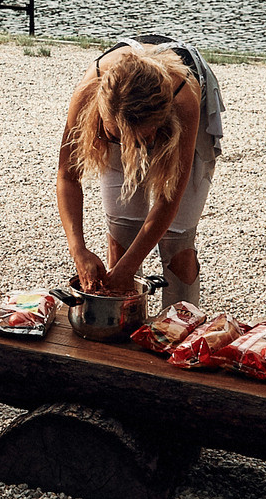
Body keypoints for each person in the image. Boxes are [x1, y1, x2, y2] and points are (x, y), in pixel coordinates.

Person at [54, 33, 223, 310]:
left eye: (141, 141)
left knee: (177, 240)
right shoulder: (91, 88)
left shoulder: (183, 98)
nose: (130, 150)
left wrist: (128, 269)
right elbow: (67, 176)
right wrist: (79, 250)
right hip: (125, 113)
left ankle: (181, 330)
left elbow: (169, 201)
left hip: (181, 105)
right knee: (122, 236)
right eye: (116, 136)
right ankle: (125, 330)